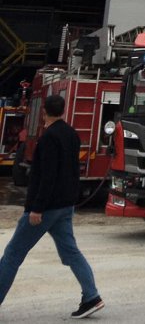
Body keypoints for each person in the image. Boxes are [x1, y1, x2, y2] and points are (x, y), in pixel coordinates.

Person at [0, 94, 104, 319]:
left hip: (46, 208)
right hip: (65, 205)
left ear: (43, 112)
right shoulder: (71, 135)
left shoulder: (49, 138)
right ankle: (91, 297)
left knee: (13, 254)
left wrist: (37, 208)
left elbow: (47, 176)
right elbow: (73, 171)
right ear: (64, 111)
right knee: (71, 252)